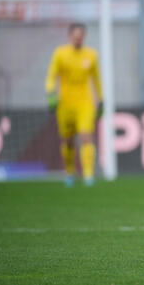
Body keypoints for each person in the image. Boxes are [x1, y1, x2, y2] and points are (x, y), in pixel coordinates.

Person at [45, 23, 103, 187]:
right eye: (75, 37)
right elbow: (51, 75)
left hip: (85, 103)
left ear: (83, 37)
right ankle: (69, 172)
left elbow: (96, 79)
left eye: (81, 37)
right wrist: (50, 92)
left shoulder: (91, 55)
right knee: (67, 140)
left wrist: (102, 99)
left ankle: (88, 175)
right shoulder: (60, 54)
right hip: (65, 104)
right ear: (70, 36)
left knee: (86, 136)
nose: (78, 40)